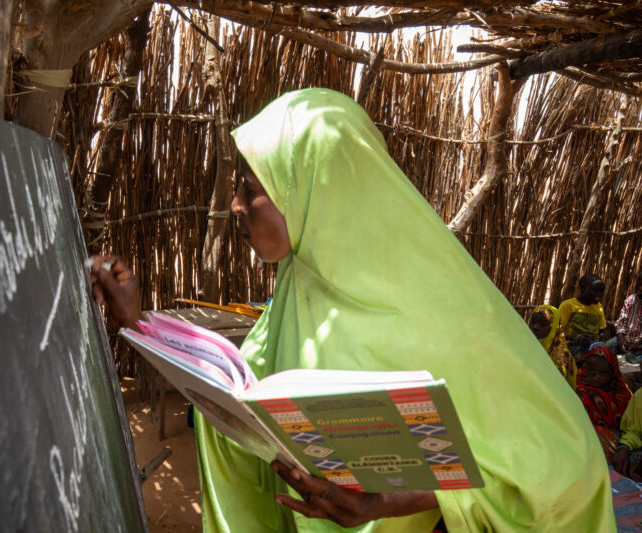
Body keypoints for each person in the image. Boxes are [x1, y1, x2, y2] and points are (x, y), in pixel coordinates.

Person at [90, 89, 614, 531]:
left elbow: (568, 468)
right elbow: (242, 400)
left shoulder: (445, 313)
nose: (234, 206)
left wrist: (394, 501)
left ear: (321, 188)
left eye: (251, 188)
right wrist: (140, 324)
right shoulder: (301, 289)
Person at [576, 346, 632, 457]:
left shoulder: (621, 393)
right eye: (591, 371)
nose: (596, 377)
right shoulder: (579, 391)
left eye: (603, 373)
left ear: (613, 373)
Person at [559, 274, 607, 364]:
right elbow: (557, 332)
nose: (599, 295)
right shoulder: (568, 305)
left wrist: (602, 341)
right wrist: (576, 338)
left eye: (601, 291)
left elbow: (601, 331)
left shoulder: (599, 308)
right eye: (595, 291)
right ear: (583, 289)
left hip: (594, 345)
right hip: (572, 344)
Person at [527, 304, 577, 389]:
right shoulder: (527, 343)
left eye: (542, 324)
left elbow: (554, 388)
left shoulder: (560, 357)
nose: (535, 327)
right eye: (533, 322)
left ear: (553, 328)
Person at [605, 270, 642, 364]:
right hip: (626, 338)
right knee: (606, 347)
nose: (640, 287)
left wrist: (637, 342)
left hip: (639, 344)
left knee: (631, 358)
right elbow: (621, 323)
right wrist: (621, 340)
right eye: (638, 283)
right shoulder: (631, 299)